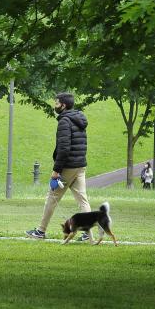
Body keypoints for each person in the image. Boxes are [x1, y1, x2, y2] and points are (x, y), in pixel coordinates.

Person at [26, 93, 92, 239]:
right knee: (82, 199)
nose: (55, 106)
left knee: (52, 196)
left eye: (57, 103)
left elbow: (64, 148)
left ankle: (40, 231)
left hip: (68, 167)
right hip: (80, 165)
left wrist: (56, 171)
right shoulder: (79, 119)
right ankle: (88, 232)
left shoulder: (64, 121)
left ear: (63, 105)